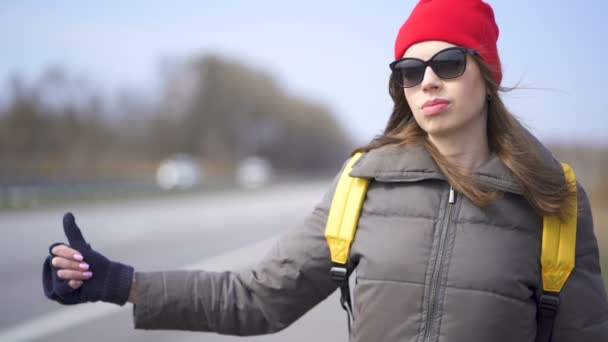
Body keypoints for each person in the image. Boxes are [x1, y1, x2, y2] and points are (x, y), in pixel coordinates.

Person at [42, 0, 608, 341]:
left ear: (485, 74)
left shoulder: (554, 197)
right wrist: (120, 283)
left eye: (449, 62)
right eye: (411, 69)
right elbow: (259, 297)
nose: (428, 80)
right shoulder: (363, 183)